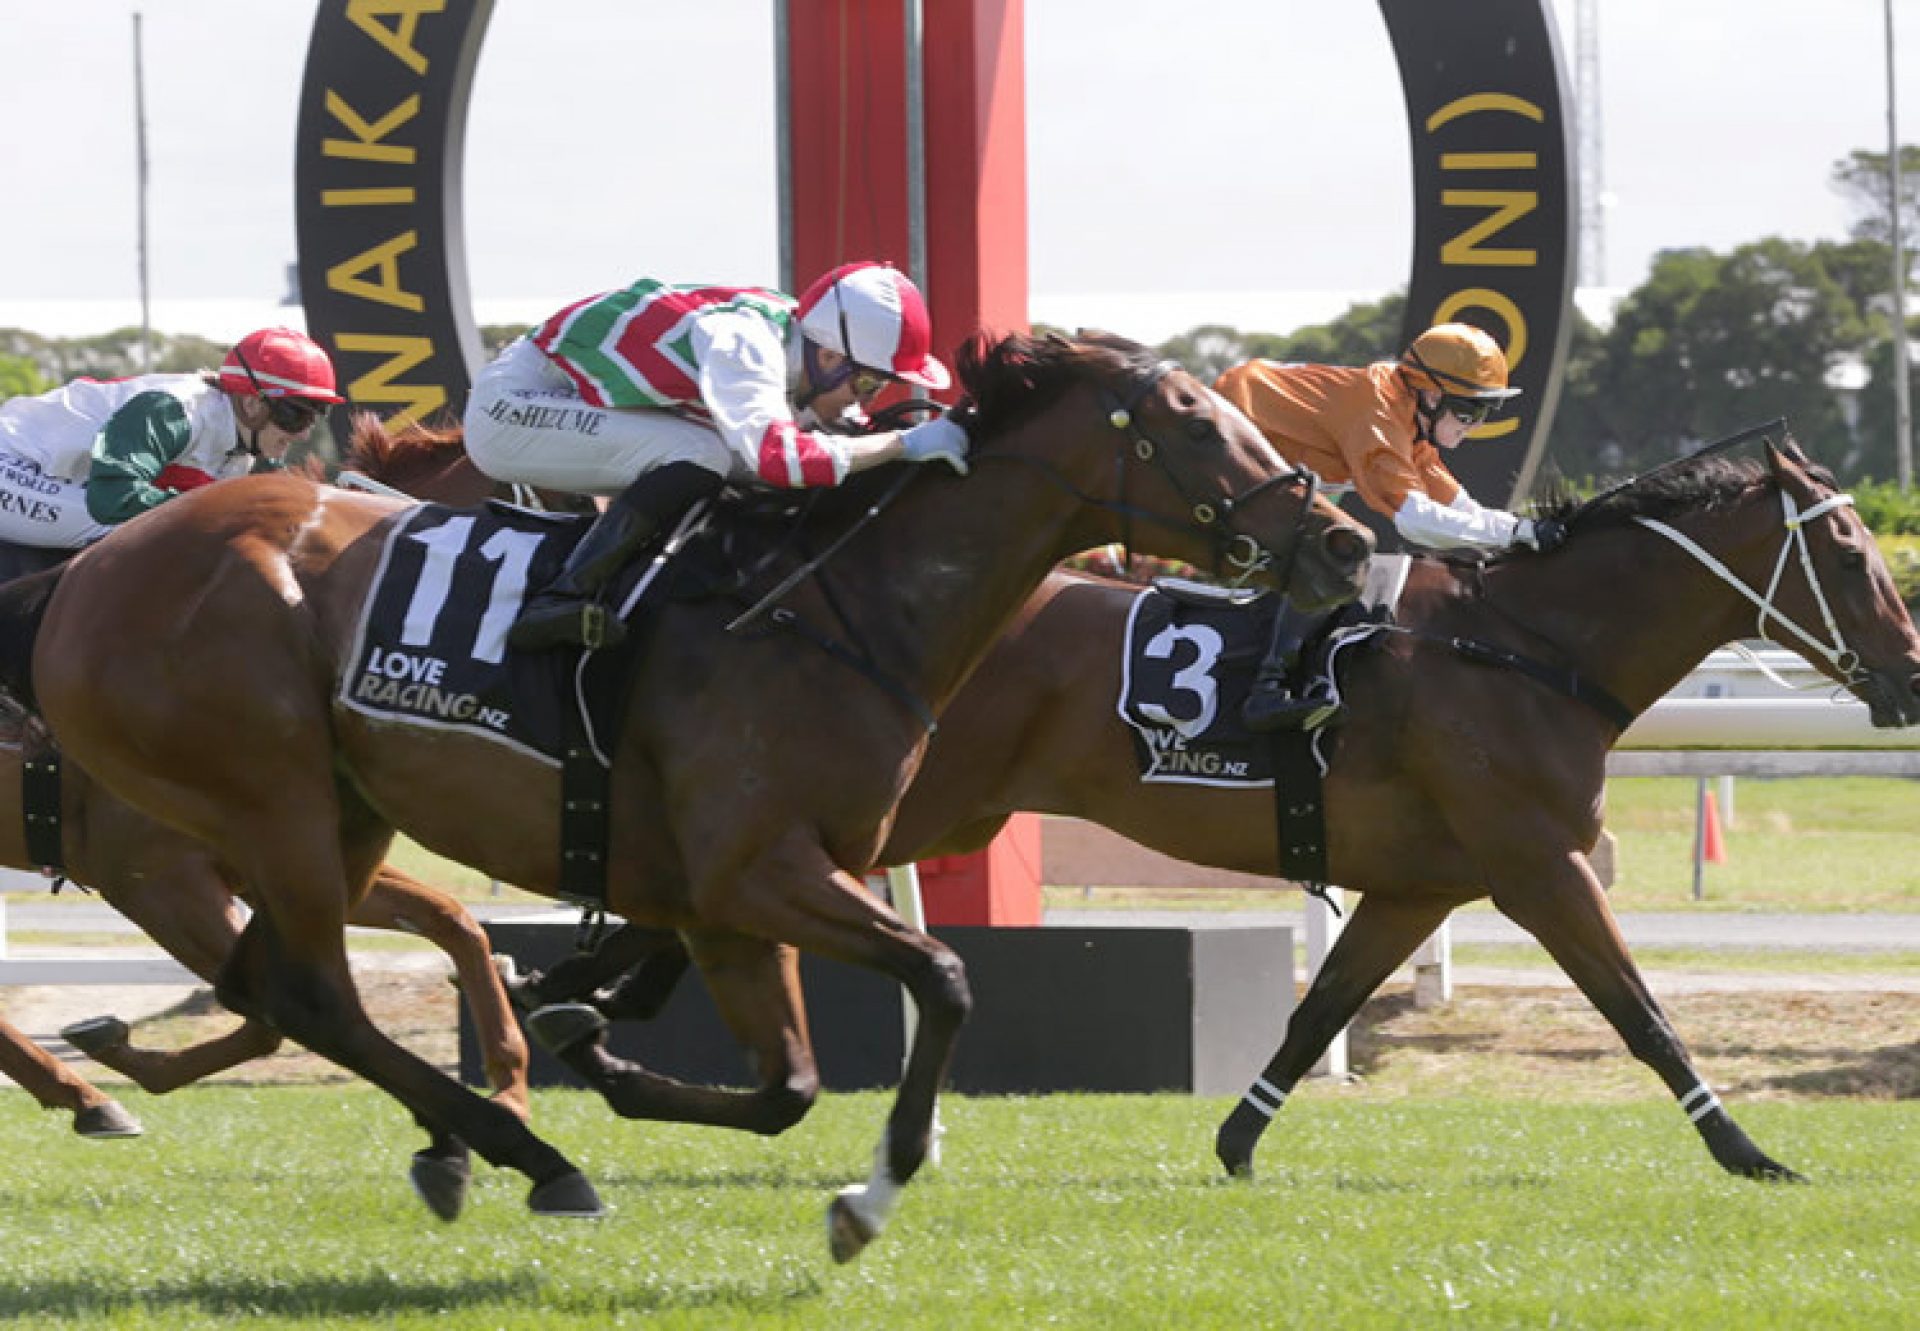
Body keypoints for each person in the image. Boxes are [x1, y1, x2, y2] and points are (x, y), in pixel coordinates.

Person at [463, 260, 972, 652]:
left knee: (723, 457)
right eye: (867, 383)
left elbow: (835, 439)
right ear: (830, 357)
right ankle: (562, 598)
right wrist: (904, 444)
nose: (865, 401)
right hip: (513, 409)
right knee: (702, 453)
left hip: (570, 396)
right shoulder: (747, 345)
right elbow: (783, 461)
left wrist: (912, 442)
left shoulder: (802, 346)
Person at [1214, 322, 1565, 730]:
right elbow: (1416, 523)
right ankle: (1268, 689)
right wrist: (1514, 533)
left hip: (1265, 449)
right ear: (1431, 394)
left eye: (1487, 411)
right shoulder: (1377, 414)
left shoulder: (1408, 420)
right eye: (1470, 410)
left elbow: (1463, 510)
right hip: (1225, 440)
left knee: (1332, 542)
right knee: (1335, 549)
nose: (1476, 425)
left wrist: (1523, 530)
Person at [0, 327, 341, 551]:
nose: (304, 432)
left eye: (316, 415)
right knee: (121, 532)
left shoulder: (245, 446)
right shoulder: (172, 410)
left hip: (61, 476)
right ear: (252, 403)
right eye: (296, 414)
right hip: (12, 462)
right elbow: (113, 501)